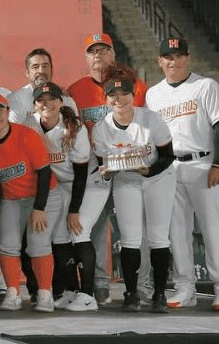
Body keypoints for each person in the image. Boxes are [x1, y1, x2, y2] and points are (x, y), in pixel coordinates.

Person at [145, 37, 219, 312]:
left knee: (213, 229)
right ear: (160, 61)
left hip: (202, 165)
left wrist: (218, 164)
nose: (174, 61)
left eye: (179, 56)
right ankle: (185, 287)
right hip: (170, 167)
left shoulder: (205, 85)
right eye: (168, 57)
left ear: (188, 58)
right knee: (177, 230)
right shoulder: (153, 94)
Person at [67, 32, 148, 303]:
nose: (98, 55)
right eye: (93, 51)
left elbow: (147, 125)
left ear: (113, 54)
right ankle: (100, 283)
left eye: (103, 50)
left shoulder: (136, 86)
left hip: (131, 164)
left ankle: (141, 286)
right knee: (96, 225)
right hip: (96, 165)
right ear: (86, 57)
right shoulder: (75, 90)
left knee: (134, 228)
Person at [92, 78, 176, 313]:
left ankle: (159, 294)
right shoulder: (101, 128)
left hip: (158, 178)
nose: (119, 99)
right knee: (130, 238)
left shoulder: (150, 119)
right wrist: (107, 174)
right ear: (106, 99)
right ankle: (130, 294)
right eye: (113, 95)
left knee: (159, 237)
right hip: (126, 180)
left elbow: (168, 155)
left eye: (124, 93)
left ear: (133, 94)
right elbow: (103, 167)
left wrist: (149, 171)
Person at [0, 93, 59, 312]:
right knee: (7, 244)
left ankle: (45, 294)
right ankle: (13, 293)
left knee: (37, 243)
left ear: (7, 112)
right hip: (10, 199)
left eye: (0, 110)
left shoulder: (26, 135)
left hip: (42, 195)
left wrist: (39, 209)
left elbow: (44, 172)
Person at [22, 83, 97, 312]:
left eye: (52, 98)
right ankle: (69, 291)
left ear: (61, 102)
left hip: (89, 182)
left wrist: (74, 209)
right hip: (57, 184)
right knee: (59, 238)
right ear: (35, 104)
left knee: (79, 231)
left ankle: (88, 295)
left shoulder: (73, 127)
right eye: (41, 99)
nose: (47, 103)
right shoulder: (30, 124)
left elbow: (81, 173)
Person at [8, 48, 78, 124]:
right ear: (27, 73)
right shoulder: (16, 99)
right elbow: (15, 131)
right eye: (35, 67)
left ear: (52, 70)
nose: (41, 71)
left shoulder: (65, 98)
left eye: (45, 66)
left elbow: (75, 130)